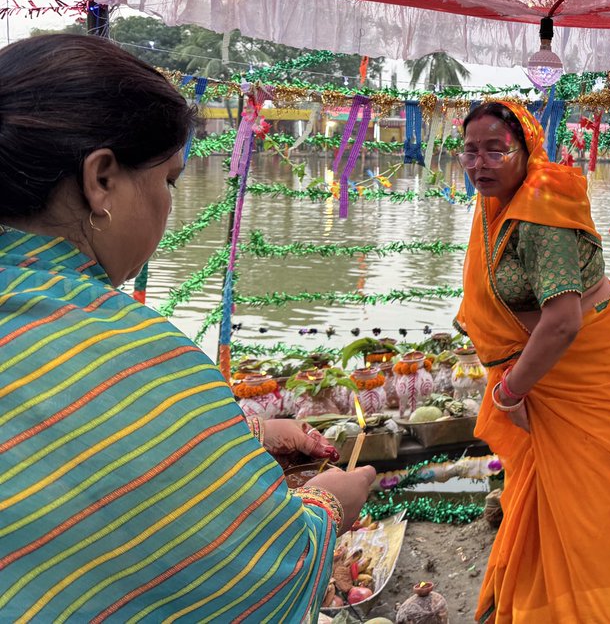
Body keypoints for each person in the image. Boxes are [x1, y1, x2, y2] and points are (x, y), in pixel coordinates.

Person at [0, 34, 375, 622]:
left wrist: (244, 433)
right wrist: (329, 506)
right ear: (101, 179)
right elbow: (256, 569)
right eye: (170, 181)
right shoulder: (127, 349)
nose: (170, 203)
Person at [453, 101, 610, 624]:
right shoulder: (494, 205)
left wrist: (509, 392)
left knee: (584, 510)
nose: (480, 163)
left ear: (524, 149)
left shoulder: (540, 210)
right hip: (538, 368)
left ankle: (588, 613)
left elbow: (562, 322)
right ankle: (531, 604)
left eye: (495, 149)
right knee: (535, 495)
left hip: (579, 371)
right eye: (470, 151)